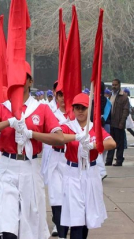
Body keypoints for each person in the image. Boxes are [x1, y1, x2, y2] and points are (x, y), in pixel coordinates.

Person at [0, 61, 64, 239]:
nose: (17, 81)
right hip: (6, 166)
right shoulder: (2, 108)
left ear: (30, 81)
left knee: (29, 228)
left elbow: (59, 138)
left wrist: (31, 133)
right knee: (8, 229)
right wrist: (8, 122)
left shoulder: (42, 108)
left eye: (21, 77)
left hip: (30, 167)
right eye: (13, 78)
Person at [60, 93, 116, 239]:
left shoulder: (94, 128)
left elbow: (111, 143)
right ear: (73, 109)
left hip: (90, 173)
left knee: (86, 217)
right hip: (73, 173)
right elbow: (57, 138)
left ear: (89, 109)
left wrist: (93, 145)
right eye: (77, 108)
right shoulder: (68, 127)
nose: (80, 111)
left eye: (83, 108)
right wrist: (76, 137)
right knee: (76, 218)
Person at [45, 90, 70, 239]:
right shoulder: (51, 114)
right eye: (60, 95)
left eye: (65, 93)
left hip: (71, 159)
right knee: (56, 195)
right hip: (55, 156)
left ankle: (71, 224)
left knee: (70, 196)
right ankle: (60, 229)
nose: (63, 98)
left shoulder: (77, 115)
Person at [106, 79, 129, 166]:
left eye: (115, 85)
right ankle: (109, 161)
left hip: (119, 124)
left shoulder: (124, 97)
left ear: (119, 85)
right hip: (111, 123)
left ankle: (119, 161)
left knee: (119, 144)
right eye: (113, 85)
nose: (114, 86)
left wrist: (121, 123)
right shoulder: (111, 95)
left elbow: (125, 111)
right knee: (111, 144)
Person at [91, 82, 111, 180]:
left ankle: (101, 171)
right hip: (100, 125)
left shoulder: (96, 100)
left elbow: (105, 116)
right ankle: (100, 170)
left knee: (100, 149)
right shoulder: (96, 100)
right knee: (101, 150)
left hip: (101, 126)